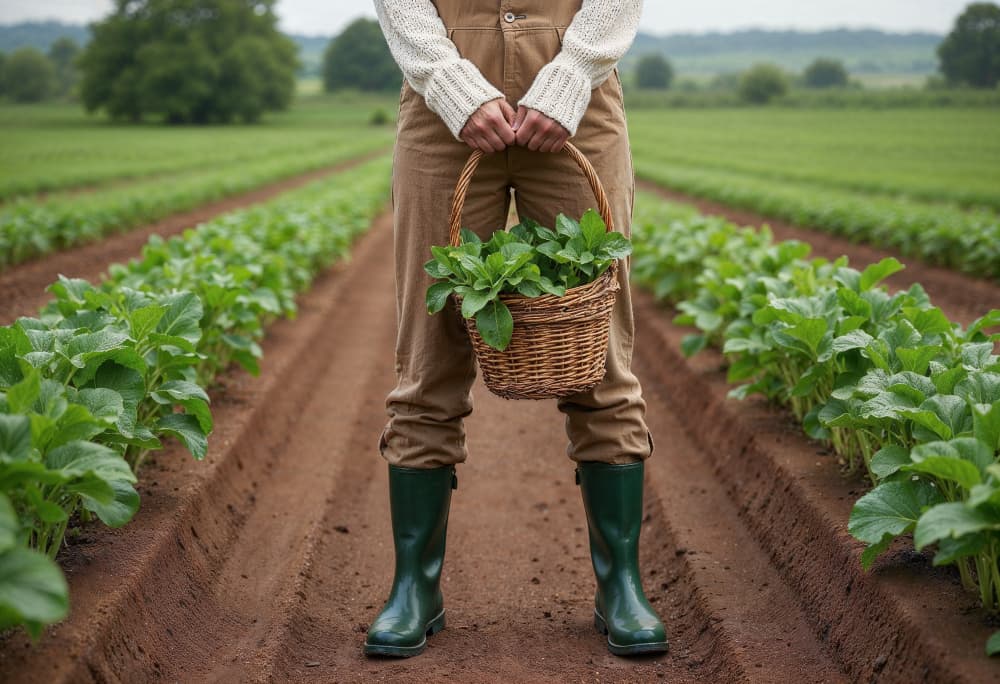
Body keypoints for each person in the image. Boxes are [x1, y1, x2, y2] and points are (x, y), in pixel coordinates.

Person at [366, 0, 667, 658]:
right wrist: (446, 80)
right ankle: (415, 588)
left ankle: (621, 586)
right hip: (440, 100)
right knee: (428, 354)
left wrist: (574, 72)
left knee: (599, 353)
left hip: (578, 105)